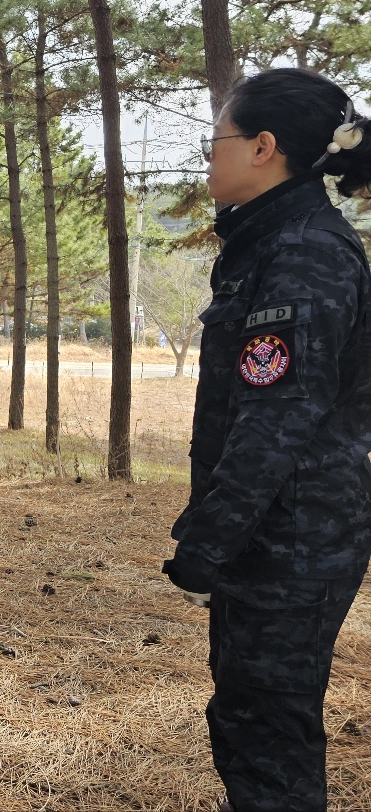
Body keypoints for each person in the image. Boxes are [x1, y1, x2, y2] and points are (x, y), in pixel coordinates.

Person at [164, 68, 371, 812]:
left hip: (296, 534)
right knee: (247, 712)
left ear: (263, 147)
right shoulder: (269, 240)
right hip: (273, 529)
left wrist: (209, 538)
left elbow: (277, 418)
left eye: (215, 140)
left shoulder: (303, 253)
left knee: (268, 732)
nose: (208, 156)